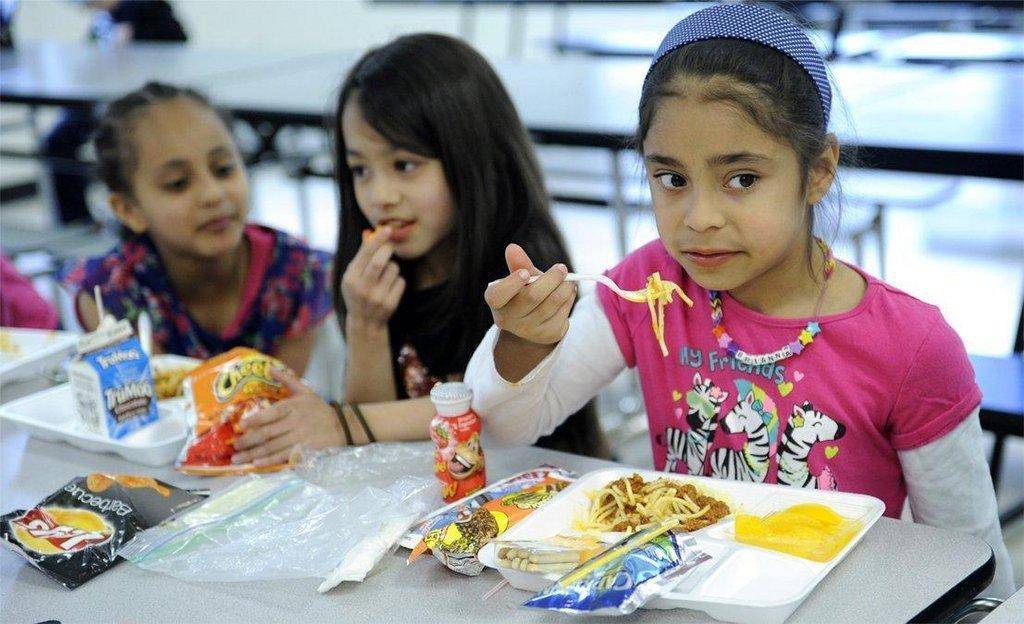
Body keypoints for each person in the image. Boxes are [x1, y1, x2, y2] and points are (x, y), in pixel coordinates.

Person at [466, 4, 1014, 597]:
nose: (699, 219)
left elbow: (973, 566)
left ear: (818, 170)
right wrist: (524, 341)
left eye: (742, 178)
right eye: (671, 179)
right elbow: (502, 426)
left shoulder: (910, 345)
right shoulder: (654, 287)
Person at [232, 34, 606, 466]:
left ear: (471, 155)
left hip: (539, 488)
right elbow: (370, 444)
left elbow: (493, 414)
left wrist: (342, 423)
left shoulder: (522, 266)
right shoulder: (381, 270)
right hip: (430, 495)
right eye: (360, 170)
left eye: (404, 166)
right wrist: (366, 326)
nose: (380, 195)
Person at [61, 82, 332, 375]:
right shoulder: (110, 293)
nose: (213, 194)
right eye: (178, 183)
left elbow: (284, 401)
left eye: (224, 169)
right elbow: (155, 403)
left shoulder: (299, 273)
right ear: (129, 210)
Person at [42, 0, 187, 224]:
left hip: (143, 105)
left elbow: (128, 58)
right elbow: (90, 61)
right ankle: (75, 219)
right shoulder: (101, 21)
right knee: (57, 142)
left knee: (123, 148)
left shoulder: (146, 7)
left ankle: (143, 218)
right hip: (102, 104)